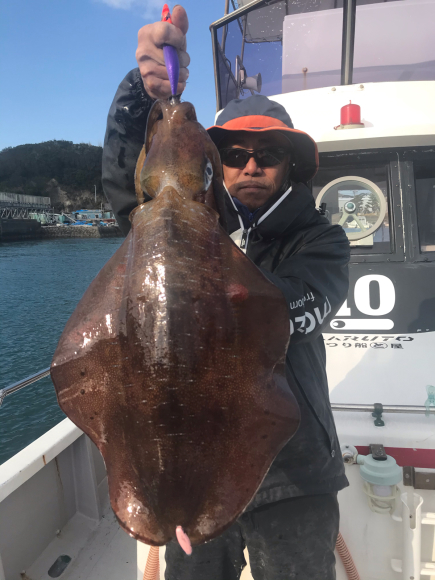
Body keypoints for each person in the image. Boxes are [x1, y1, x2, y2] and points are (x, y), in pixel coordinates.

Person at [102, 7, 350, 580]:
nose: (252, 166)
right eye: (235, 154)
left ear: (291, 165)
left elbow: (293, 308)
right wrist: (142, 96)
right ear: (214, 164)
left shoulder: (321, 240)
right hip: (191, 462)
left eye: (269, 154)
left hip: (296, 470)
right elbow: (128, 185)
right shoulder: (180, 222)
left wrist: (211, 264)